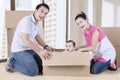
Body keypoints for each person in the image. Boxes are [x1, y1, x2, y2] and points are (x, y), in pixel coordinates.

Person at [6, 3, 55, 76]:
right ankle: (12, 62)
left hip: (28, 49)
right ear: (35, 11)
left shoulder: (37, 23)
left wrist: (45, 46)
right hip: (19, 50)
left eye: (45, 13)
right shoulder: (26, 21)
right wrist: (40, 51)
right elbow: (26, 40)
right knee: (33, 72)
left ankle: (21, 61)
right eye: (41, 11)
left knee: (41, 68)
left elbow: (37, 36)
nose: (43, 15)